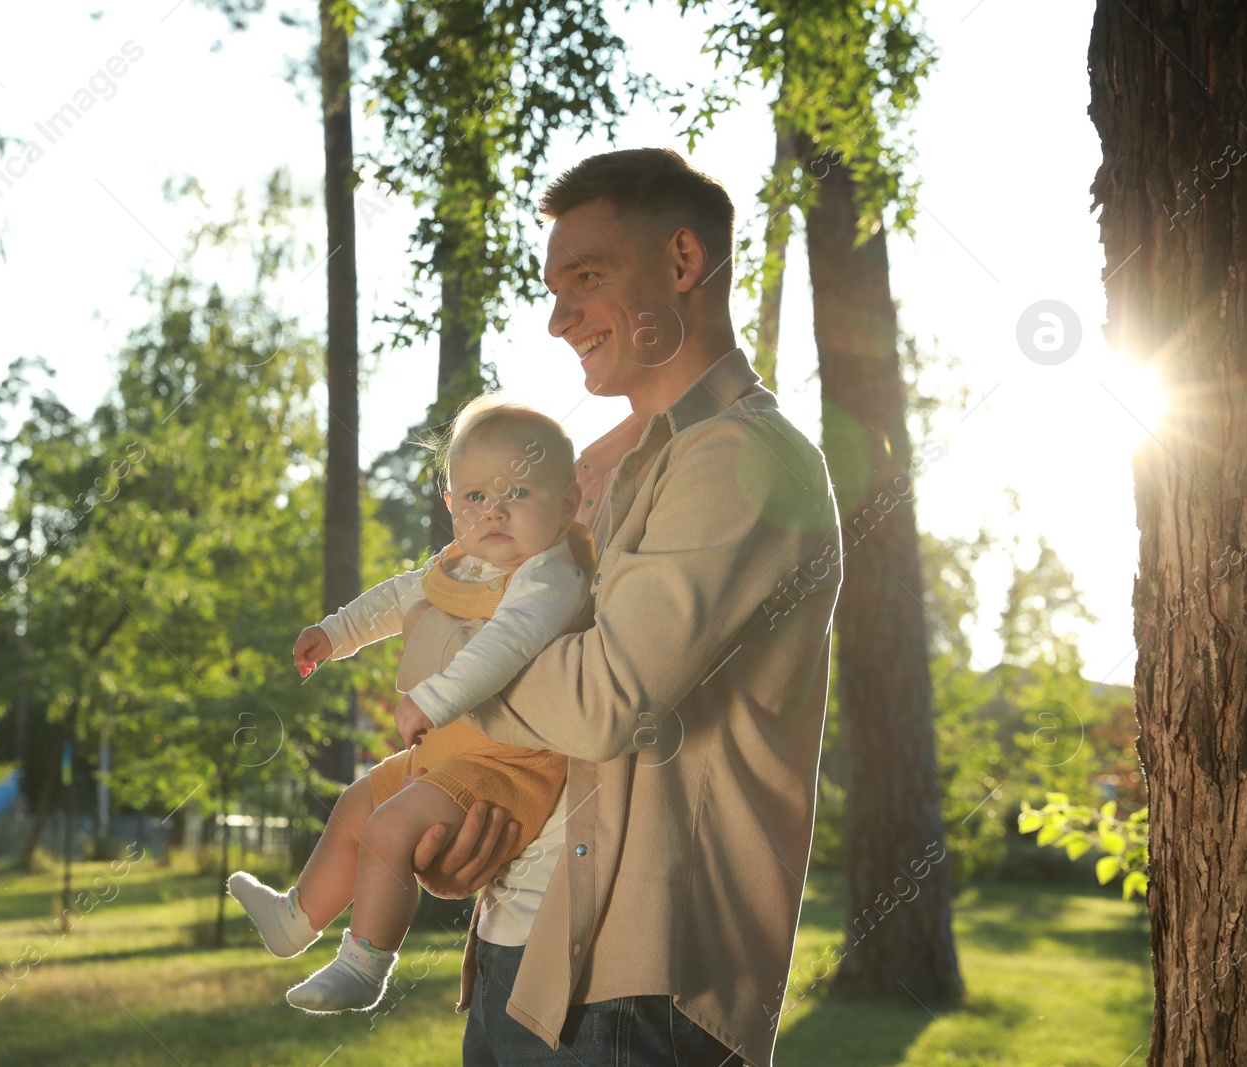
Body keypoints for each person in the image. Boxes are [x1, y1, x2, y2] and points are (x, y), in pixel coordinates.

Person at [405, 148, 845, 1067]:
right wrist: (465, 832)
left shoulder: (741, 461)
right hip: (523, 960)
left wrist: (447, 658)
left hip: (635, 997)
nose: (559, 317)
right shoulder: (608, 470)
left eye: (587, 278)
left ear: (683, 265)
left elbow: (605, 699)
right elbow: (554, 732)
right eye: (553, 287)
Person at [226, 396, 599, 1014]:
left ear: (567, 503)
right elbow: (398, 597)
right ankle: (294, 920)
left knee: (390, 828)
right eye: (475, 497)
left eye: (519, 494)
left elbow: (509, 643)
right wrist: (337, 633)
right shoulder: (463, 564)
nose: (495, 511)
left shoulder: (551, 574)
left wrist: (433, 694)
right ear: (451, 504)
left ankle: (364, 964)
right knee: (357, 804)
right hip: (450, 754)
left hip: (506, 766)